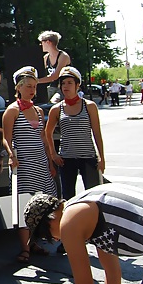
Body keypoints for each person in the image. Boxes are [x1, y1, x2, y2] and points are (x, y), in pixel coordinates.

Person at [3, 66, 58, 263]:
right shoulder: (12, 111)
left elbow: (43, 138)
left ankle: (36, 242)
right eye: (28, 86)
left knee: (43, 205)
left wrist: (50, 162)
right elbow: (6, 139)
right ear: (18, 87)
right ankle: (24, 248)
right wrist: (10, 155)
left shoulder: (38, 110)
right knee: (24, 206)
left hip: (41, 164)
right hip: (24, 165)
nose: (32, 90)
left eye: (34, 86)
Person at [43, 66, 105, 199]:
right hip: (67, 159)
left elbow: (97, 133)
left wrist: (101, 157)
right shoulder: (57, 109)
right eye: (63, 83)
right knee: (68, 196)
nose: (66, 86)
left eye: (70, 83)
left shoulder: (89, 106)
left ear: (77, 85)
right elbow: (47, 132)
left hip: (88, 157)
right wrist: (53, 154)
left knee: (93, 195)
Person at [36, 31, 70, 102]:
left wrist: (36, 81)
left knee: (54, 102)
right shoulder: (46, 58)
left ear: (48, 42)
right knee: (40, 102)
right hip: (52, 87)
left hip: (65, 87)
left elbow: (55, 76)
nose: (41, 45)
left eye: (42, 42)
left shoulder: (63, 56)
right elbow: (43, 74)